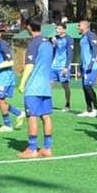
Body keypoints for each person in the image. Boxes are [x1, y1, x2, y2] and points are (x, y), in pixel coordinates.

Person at [17, 19, 55, 158]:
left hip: (34, 87)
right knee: (46, 116)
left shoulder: (34, 43)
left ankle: (32, 149)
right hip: (46, 86)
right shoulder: (49, 43)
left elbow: (29, 65)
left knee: (32, 116)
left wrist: (22, 83)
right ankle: (47, 148)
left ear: (28, 27)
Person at [0, 25, 25, 132]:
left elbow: (11, 62)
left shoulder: (3, 44)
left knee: (0, 99)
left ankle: (7, 125)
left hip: (5, 76)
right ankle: (19, 113)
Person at [77, 18, 97, 118]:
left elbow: (95, 49)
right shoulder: (82, 37)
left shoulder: (91, 35)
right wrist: (79, 67)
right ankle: (89, 109)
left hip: (91, 67)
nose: (77, 27)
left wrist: (91, 64)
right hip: (84, 67)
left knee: (88, 86)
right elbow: (82, 54)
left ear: (85, 26)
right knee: (85, 87)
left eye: (79, 25)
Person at [52, 23, 74, 112]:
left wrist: (66, 66)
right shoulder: (55, 38)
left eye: (59, 28)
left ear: (64, 30)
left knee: (65, 86)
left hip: (63, 66)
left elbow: (70, 53)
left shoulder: (69, 39)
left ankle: (67, 104)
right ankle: (48, 104)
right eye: (57, 28)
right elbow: (53, 52)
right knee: (49, 84)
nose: (57, 30)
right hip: (53, 66)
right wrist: (54, 44)